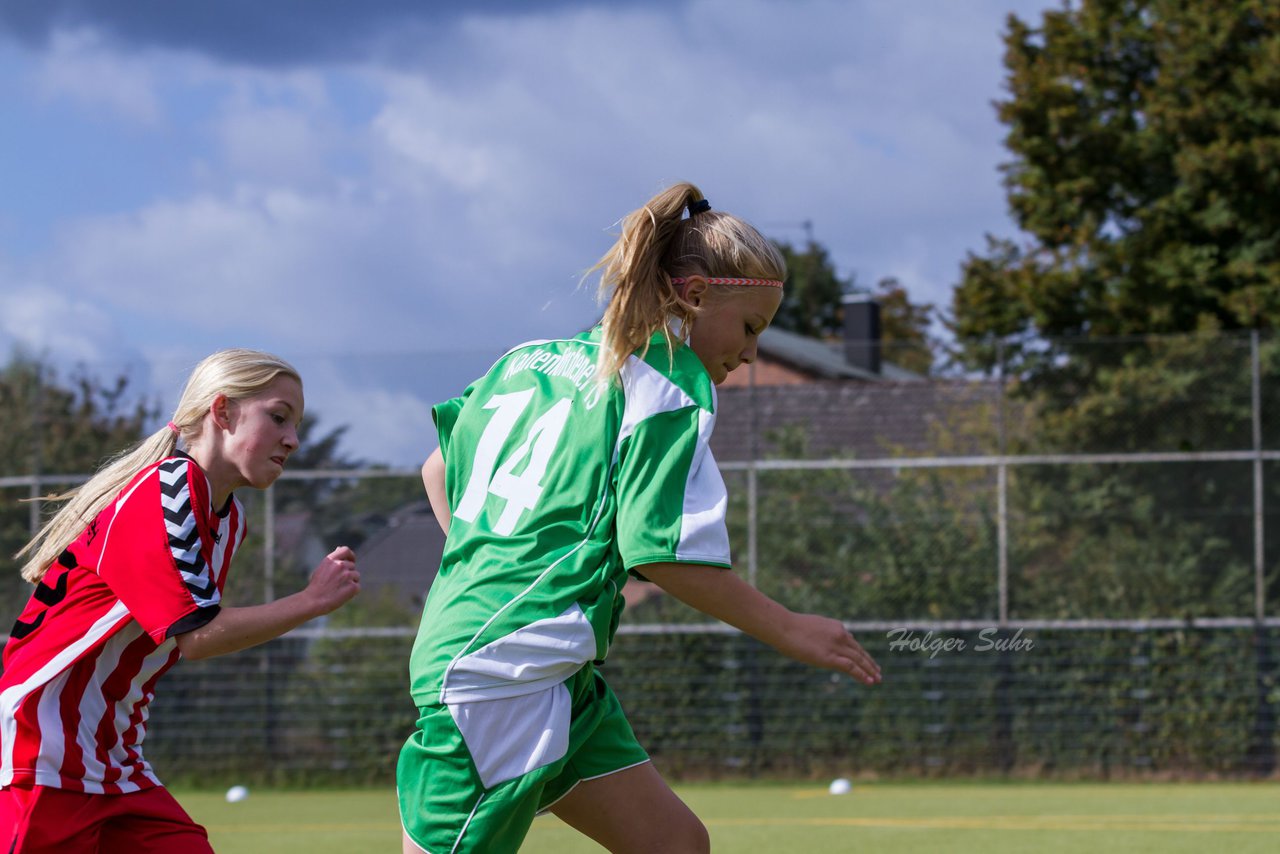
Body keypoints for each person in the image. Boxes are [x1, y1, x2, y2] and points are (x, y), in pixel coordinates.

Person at [397, 182, 882, 853]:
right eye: (750, 329)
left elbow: (436, 470)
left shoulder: (526, 362)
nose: (748, 356)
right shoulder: (669, 385)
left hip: (550, 667)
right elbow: (662, 555)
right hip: (502, 674)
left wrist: (490, 570)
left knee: (676, 844)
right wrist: (790, 628)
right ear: (694, 294)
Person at [0, 348, 361, 853]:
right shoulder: (166, 489)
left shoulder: (229, 521)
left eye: (295, 425)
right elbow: (195, 636)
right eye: (278, 418)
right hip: (42, 751)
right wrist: (310, 600)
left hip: (113, 760)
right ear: (222, 412)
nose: (293, 440)